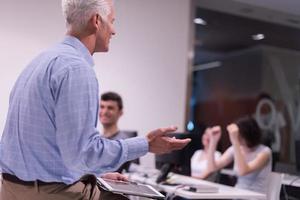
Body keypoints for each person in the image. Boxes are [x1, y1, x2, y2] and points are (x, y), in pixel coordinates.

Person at [0, 0, 191, 199]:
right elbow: (86, 153)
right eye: (112, 21)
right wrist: (147, 144)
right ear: (97, 21)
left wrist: (89, 173)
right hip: (49, 193)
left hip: (11, 189)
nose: (114, 31)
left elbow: (57, 152)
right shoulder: (76, 69)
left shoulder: (39, 62)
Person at [206, 116, 272, 194]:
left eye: (239, 135)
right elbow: (212, 168)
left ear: (248, 134)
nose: (237, 137)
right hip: (239, 194)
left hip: (256, 196)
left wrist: (235, 141)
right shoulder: (236, 148)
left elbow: (243, 171)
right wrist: (213, 141)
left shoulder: (265, 152)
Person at [99, 91, 139, 172]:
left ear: (120, 113)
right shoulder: (96, 141)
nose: (104, 112)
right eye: (102, 107)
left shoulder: (125, 142)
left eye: (110, 108)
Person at [254, 92, 287, 168]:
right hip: (260, 148)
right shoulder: (256, 117)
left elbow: (284, 133)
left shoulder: (278, 115)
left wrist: (283, 149)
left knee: (273, 168)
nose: (264, 105)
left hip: (275, 148)